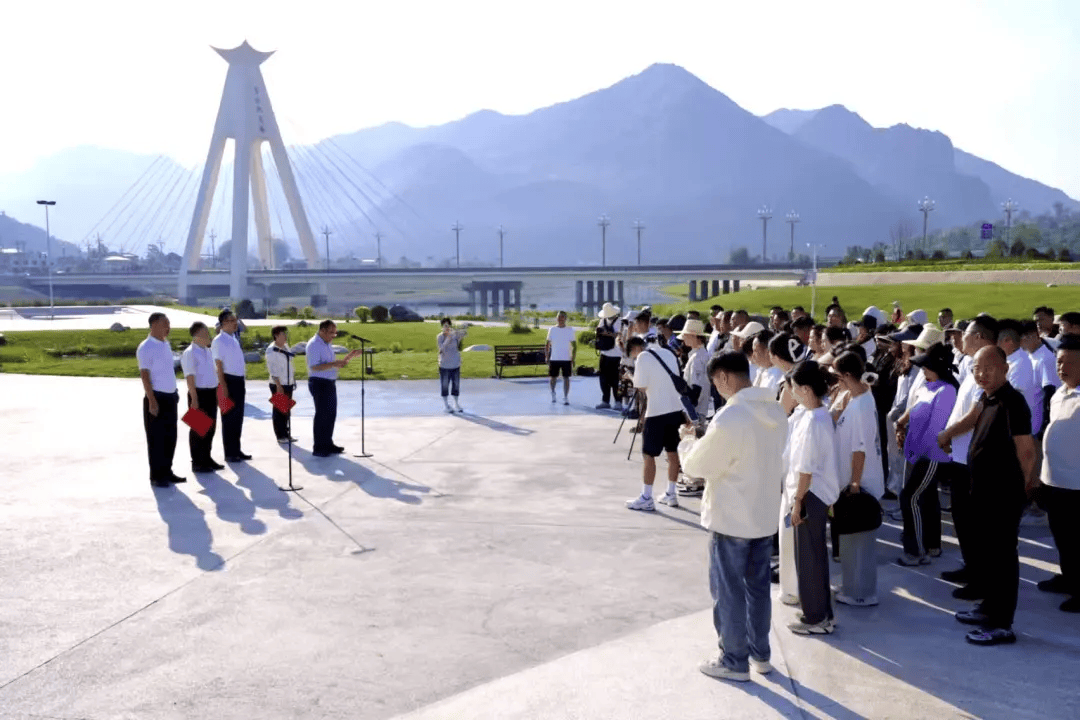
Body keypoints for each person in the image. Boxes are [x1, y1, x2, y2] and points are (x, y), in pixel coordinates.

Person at [680, 352, 788, 681]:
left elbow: (697, 466)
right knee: (757, 590)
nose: (717, 388)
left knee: (728, 592)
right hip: (763, 514)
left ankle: (733, 659)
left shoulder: (732, 416)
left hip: (731, 517)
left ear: (724, 377)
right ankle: (760, 654)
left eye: (716, 382)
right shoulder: (775, 410)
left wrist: (687, 443)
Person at [938, 346, 1035, 646]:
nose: (981, 374)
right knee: (989, 556)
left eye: (988, 368)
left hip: (1003, 496)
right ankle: (988, 609)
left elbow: (1026, 452)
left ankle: (1001, 624)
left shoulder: (1013, 402)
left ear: (1004, 369)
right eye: (976, 368)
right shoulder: (986, 398)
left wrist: (1022, 489)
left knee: (1002, 558)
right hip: (982, 492)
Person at [937, 317, 996, 593]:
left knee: (973, 522)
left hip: (973, 459)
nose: (962, 339)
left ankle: (979, 579)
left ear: (980, 337)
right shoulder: (973, 366)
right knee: (962, 519)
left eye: (967, 334)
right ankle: (971, 567)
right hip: (961, 456)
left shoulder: (986, 371)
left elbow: (975, 415)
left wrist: (947, 434)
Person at [784, 360, 842, 634]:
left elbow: (805, 469)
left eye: (794, 387)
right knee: (815, 556)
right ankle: (822, 613)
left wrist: (797, 503)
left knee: (808, 559)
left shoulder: (813, 421)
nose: (792, 392)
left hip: (810, 496)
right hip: (816, 495)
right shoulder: (818, 415)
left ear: (806, 389)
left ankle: (815, 617)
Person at [894, 342, 957, 566]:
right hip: (916, 452)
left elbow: (935, 429)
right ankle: (931, 545)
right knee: (926, 498)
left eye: (925, 366)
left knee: (909, 497)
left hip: (931, 455)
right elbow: (914, 409)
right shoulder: (928, 387)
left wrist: (917, 453)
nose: (921, 370)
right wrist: (901, 424)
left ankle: (916, 551)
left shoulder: (947, 391)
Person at [831, 349, 884, 606]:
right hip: (852, 482)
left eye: (837, 377)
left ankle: (861, 593)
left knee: (859, 542)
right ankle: (853, 586)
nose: (835, 382)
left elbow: (860, 449)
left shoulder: (862, 405)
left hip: (860, 485)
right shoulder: (857, 397)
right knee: (852, 542)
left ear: (847, 375)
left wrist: (854, 483)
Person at [1035, 335, 1080, 613]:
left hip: (1077, 485)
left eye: (1069, 362)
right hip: (1054, 480)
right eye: (1059, 362)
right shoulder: (1059, 393)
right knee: (1062, 536)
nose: (1062, 368)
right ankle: (1069, 577)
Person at [625, 336, 684, 511]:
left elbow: (641, 387)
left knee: (648, 455)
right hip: (676, 410)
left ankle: (646, 497)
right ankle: (671, 493)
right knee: (673, 453)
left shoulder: (643, 357)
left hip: (656, 411)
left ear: (636, 348)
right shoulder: (669, 353)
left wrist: (631, 376)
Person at [137, 312, 184, 487]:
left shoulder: (165, 344)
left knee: (170, 437)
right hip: (156, 397)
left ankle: (167, 471)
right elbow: (145, 376)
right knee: (156, 439)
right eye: (165, 324)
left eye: (169, 324)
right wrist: (152, 401)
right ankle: (157, 476)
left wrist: (175, 391)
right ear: (154, 325)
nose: (168, 327)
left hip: (170, 397)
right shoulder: (146, 347)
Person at [306, 319, 356, 457]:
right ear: (322, 330)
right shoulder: (314, 344)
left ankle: (328, 443)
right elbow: (314, 367)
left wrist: (342, 362)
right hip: (319, 383)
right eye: (331, 332)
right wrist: (334, 364)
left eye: (335, 333)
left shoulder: (327, 343)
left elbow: (328, 363)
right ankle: (319, 447)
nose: (333, 336)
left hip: (329, 383)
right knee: (322, 415)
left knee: (330, 414)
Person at [181, 321, 224, 472]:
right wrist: (194, 399)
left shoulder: (208, 351)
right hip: (198, 394)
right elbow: (190, 377)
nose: (208, 336)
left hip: (211, 393)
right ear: (196, 335)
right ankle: (197, 462)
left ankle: (206, 457)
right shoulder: (190, 353)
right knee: (198, 429)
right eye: (205, 334)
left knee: (210, 428)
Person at [212, 309, 250, 462]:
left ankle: (236, 449)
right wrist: (223, 386)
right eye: (233, 320)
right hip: (227, 381)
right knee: (229, 418)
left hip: (238, 381)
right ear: (224, 323)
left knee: (238, 417)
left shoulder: (233, 338)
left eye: (236, 320)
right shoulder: (219, 340)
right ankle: (230, 453)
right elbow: (218, 365)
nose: (236, 323)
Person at [998, 319, 1042, 438]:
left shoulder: (1020, 365)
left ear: (1008, 341)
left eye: (996, 340)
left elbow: (1011, 403)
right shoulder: (1012, 360)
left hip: (1019, 434)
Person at [266, 325, 297, 441]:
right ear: (276, 335)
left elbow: (289, 364)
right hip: (278, 384)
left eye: (285, 334)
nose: (285, 336)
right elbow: (273, 370)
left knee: (286, 410)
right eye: (283, 334)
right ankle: (280, 435)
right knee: (279, 410)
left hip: (288, 382)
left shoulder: (285, 347)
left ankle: (286, 433)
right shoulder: (271, 350)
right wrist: (278, 386)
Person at [594, 303, 624, 410]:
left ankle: (618, 401)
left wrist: (607, 333)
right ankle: (605, 400)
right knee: (603, 379)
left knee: (616, 379)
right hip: (604, 353)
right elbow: (599, 331)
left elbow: (619, 335)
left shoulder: (620, 322)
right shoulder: (603, 320)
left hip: (617, 355)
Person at [437, 318, 467, 413]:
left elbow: (462, 338)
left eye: (448, 325)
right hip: (445, 365)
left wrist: (461, 332)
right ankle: (446, 405)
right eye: (445, 326)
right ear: (442, 327)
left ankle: (456, 404)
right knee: (445, 385)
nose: (447, 327)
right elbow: (442, 349)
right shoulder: (440, 337)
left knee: (456, 385)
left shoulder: (454, 336)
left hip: (455, 364)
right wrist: (448, 338)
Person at [546, 311, 577, 405]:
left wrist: (573, 357)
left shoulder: (570, 330)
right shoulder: (552, 329)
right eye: (559, 317)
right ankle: (553, 393)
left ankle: (566, 397)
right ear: (557, 319)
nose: (560, 319)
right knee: (553, 377)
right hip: (554, 358)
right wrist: (547, 356)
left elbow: (575, 346)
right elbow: (547, 344)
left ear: (565, 319)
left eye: (562, 317)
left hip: (566, 358)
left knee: (566, 378)